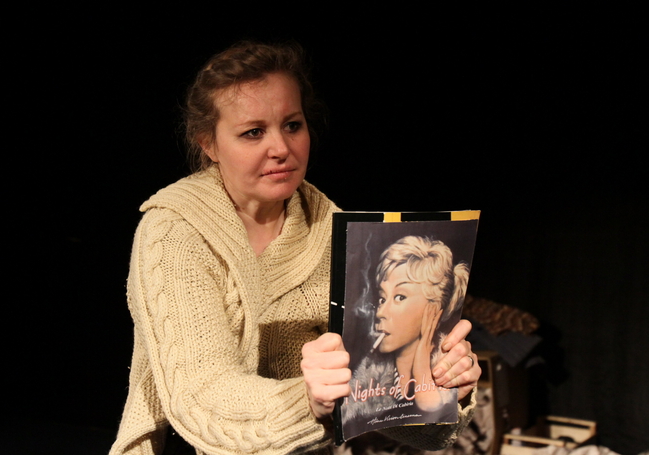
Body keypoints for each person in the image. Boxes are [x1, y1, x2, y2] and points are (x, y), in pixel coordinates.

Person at [110, 41, 480, 455]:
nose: (281, 149)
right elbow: (201, 398)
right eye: (253, 132)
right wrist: (308, 402)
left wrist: (441, 386)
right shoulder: (175, 231)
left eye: (292, 125)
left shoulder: (338, 235)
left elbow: (385, 405)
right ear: (208, 145)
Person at [342, 236, 470, 431]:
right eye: (382, 298)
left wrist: (421, 367)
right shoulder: (367, 376)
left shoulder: (449, 364)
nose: (380, 312)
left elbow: (433, 420)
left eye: (400, 297)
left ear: (434, 308)